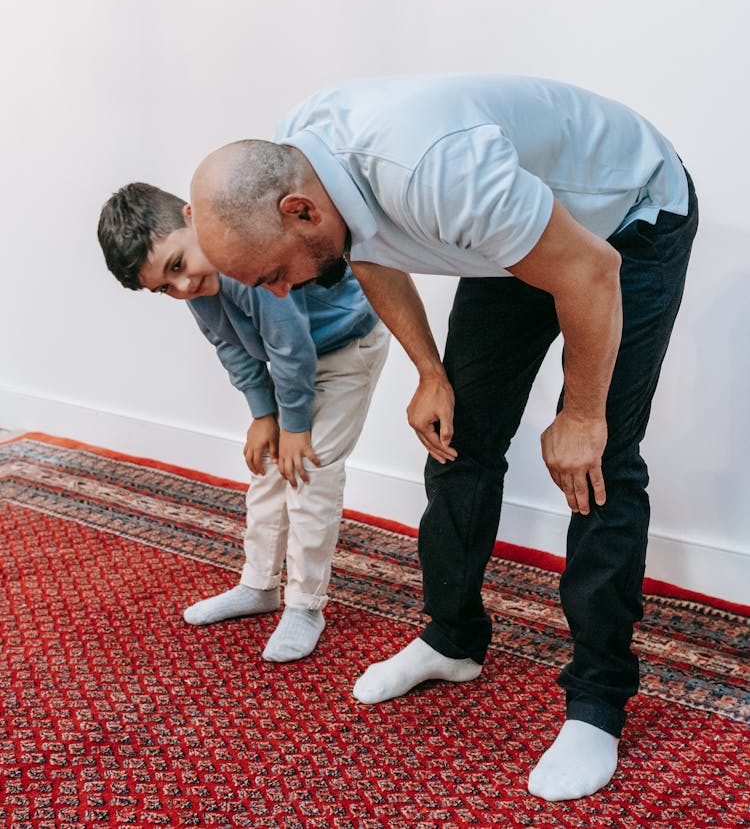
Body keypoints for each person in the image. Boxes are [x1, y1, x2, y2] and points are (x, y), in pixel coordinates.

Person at [188, 74, 698, 802]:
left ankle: (597, 701)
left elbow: (590, 270)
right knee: (457, 430)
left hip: (628, 221)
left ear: (296, 209)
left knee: (600, 459)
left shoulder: (438, 169)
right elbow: (360, 245)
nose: (279, 293)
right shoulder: (300, 156)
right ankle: (452, 638)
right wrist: (429, 370)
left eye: (275, 275)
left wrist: (582, 413)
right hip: (519, 226)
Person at [97, 182, 389, 662]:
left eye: (177, 265)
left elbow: (291, 343)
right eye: (165, 288)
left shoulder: (243, 256)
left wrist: (293, 425)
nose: (184, 286)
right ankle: (259, 585)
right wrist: (263, 415)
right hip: (292, 363)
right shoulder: (198, 286)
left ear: (194, 219)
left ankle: (306, 605)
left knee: (310, 470)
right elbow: (229, 343)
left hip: (343, 348)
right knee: (271, 467)